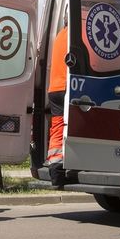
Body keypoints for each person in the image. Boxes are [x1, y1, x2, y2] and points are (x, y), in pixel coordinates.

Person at [45, 23, 69, 188]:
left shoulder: (61, 34)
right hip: (67, 87)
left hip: (54, 88)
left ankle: (56, 171)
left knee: (58, 126)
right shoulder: (78, 32)